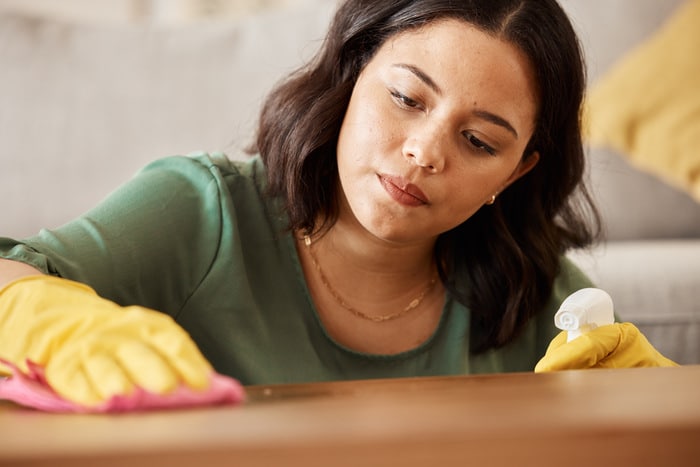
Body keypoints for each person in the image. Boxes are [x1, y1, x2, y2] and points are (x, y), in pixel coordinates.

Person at [0, 0, 677, 407]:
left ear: (518, 170)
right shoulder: (203, 209)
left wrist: (658, 404)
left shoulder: (532, 287)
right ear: (351, 72)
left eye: (476, 141)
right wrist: (53, 322)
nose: (424, 152)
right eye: (407, 99)